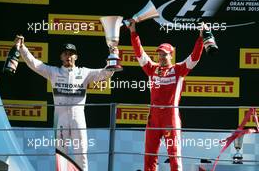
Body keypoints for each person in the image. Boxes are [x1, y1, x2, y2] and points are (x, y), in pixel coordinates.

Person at [14, 36, 114, 171]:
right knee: (61, 156)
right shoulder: (54, 72)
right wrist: (22, 48)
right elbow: (34, 64)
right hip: (60, 120)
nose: (68, 56)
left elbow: (105, 74)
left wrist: (114, 55)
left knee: (81, 155)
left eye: (71, 54)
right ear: (61, 57)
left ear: (76, 57)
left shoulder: (84, 72)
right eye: (65, 54)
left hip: (78, 120)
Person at [128, 20, 205, 171]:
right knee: (149, 154)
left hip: (170, 118)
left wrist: (201, 38)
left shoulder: (179, 70)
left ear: (171, 55)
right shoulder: (152, 69)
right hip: (154, 117)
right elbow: (139, 53)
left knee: (174, 154)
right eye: (159, 54)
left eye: (165, 54)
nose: (161, 57)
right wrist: (133, 32)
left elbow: (194, 58)